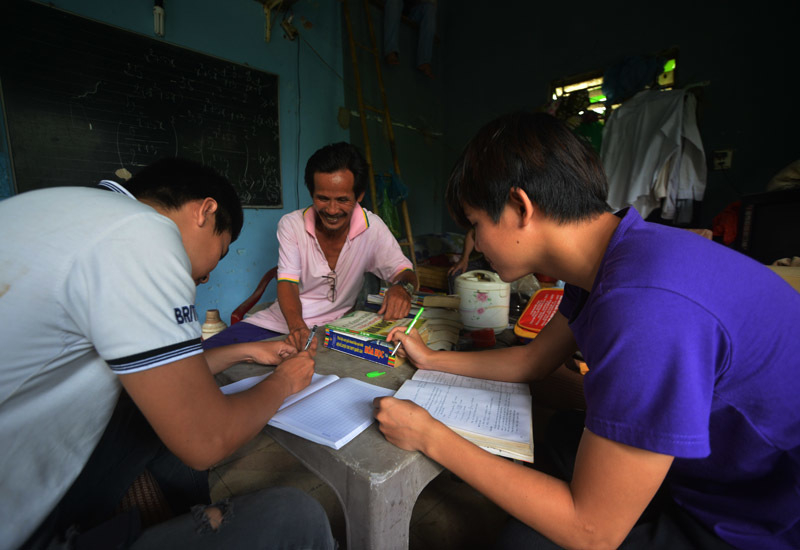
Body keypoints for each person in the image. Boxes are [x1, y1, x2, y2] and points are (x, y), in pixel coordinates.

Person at [374, 112, 800, 549]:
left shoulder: (644, 304)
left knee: (523, 543)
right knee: (559, 437)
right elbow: (532, 361)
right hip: (704, 468)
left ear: (521, 207)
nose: (476, 243)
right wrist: (430, 358)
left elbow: (592, 532)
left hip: (757, 517)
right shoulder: (617, 253)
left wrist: (429, 434)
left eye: (476, 225)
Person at [0, 158, 335, 549]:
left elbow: (153, 380)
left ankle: (189, 520)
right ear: (205, 211)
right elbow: (206, 440)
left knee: (146, 408)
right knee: (296, 517)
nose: (208, 275)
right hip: (21, 528)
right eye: (222, 251)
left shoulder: (68, 211)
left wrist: (244, 350)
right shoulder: (142, 233)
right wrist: (284, 381)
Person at [205, 142, 418, 352]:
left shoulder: (373, 228)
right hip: (282, 323)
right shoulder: (292, 225)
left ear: (359, 195)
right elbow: (287, 283)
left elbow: (406, 273)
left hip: (338, 328)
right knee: (206, 355)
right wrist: (298, 328)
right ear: (311, 192)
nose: (332, 210)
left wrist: (402, 288)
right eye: (323, 198)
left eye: (343, 200)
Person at [383, 0, 437, 78]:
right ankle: (391, 51)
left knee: (430, 8)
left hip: (413, 11)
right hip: (394, 5)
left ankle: (424, 61)